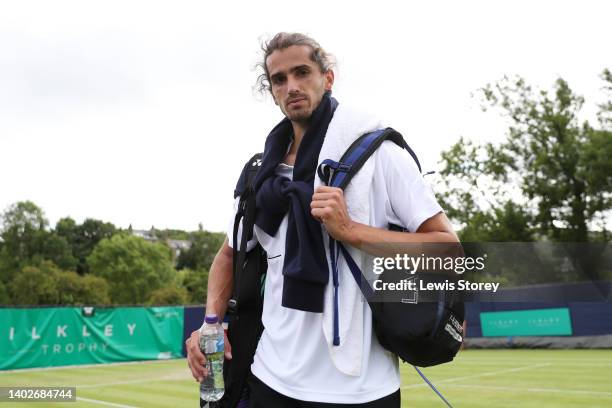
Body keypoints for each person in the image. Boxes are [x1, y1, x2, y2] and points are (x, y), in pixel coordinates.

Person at [186, 32, 459, 407]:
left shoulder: (380, 155)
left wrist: (350, 230)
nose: (292, 86)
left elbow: (447, 249)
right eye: (279, 79)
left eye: (302, 72)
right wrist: (210, 323)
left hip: (361, 389)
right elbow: (229, 256)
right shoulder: (260, 175)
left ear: (327, 78)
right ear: (271, 91)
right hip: (269, 378)